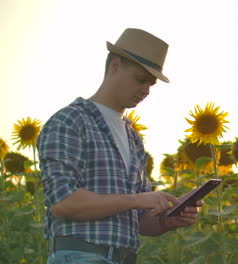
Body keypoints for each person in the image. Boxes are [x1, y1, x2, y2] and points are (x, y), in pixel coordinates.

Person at [37, 28, 202, 264]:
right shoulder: (70, 121)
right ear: (115, 66)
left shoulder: (133, 137)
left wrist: (167, 220)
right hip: (80, 257)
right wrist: (137, 199)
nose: (146, 90)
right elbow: (63, 203)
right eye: (140, 79)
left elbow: (141, 221)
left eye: (151, 84)